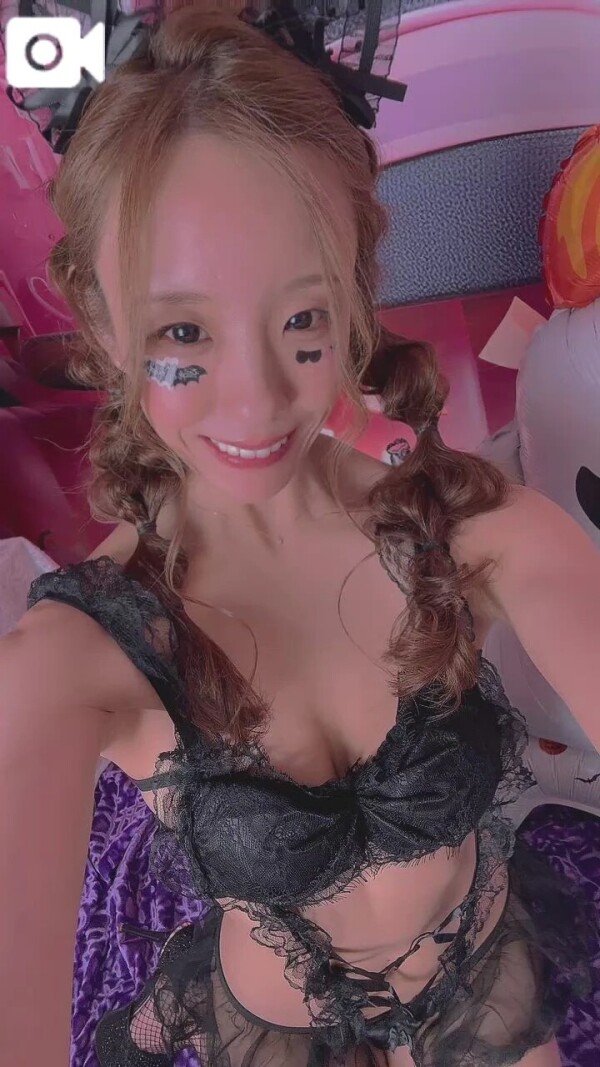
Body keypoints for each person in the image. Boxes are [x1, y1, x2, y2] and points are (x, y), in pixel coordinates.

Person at [1, 5, 599, 1067]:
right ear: (102, 323)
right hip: (276, 1015)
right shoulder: (77, 656)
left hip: (478, 973)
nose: (257, 397)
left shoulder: (471, 534)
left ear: (355, 291)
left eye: (302, 319)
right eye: (185, 330)